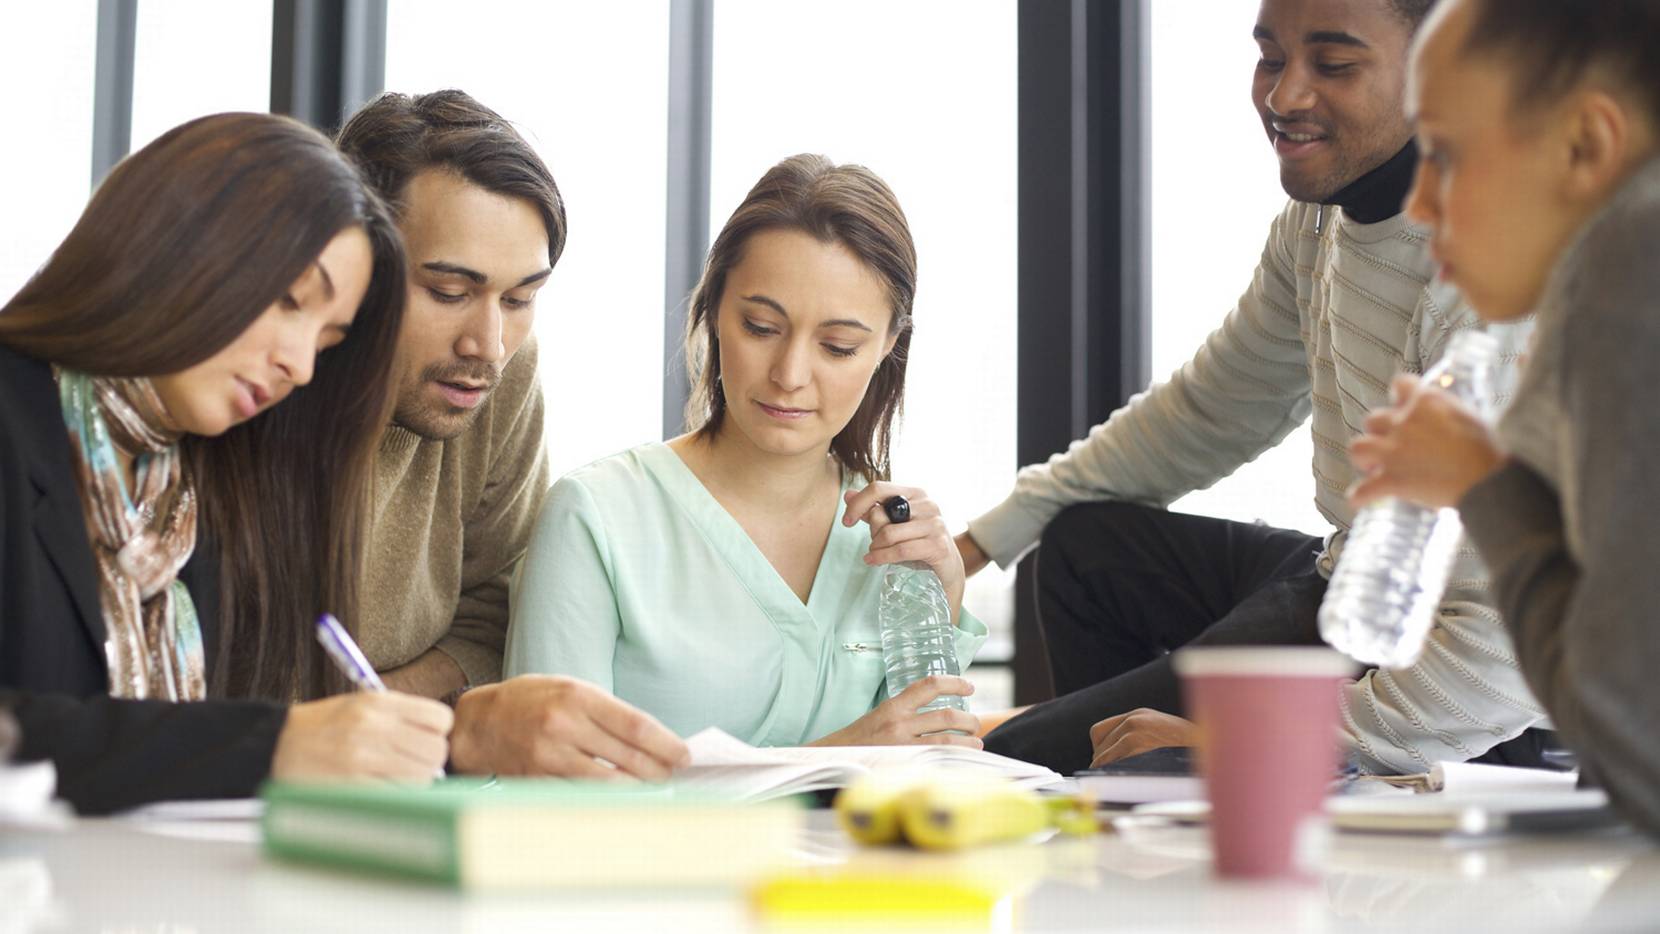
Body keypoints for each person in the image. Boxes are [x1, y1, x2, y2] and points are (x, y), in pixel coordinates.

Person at [967, 0, 1551, 775]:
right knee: (1086, 550)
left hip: (1466, 685)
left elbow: (1503, 652)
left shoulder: (1497, 283)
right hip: (1348, 582)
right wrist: (977, 545)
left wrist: (1247, 749)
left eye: (1333, 65)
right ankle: (1140, 792)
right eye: (1271, 59)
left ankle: (1151, 780)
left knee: (1022, 758)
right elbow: (1208, 413)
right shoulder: (1317, 224)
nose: (1284, 96)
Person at [0, 112, 453, 814]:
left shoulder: (213, 490)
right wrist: (266, 745)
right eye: (288, 300)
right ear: (169, 246)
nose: (300, 366)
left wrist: (456, 737)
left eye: (327, 343)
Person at [504, 154, 988, 750]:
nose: (789, 374)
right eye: (761, 327)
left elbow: (934, 772)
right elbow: (544, 788)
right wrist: (838, 757)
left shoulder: (891, 543)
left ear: (889, 343)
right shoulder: (595, 517)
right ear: (713, 310)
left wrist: (943, 602)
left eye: (838, 346)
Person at [1349, 0, 1660, 834]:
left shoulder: (1632, 258)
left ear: (1586, 145)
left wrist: (1486, 486)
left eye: (1444, 154)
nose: (1420, 204)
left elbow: (1634, 747)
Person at [333, 90, 689, 778]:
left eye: (521, 298)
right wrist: (435, 718)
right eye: (448, 292)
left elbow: (499, 612)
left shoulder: (498, 373)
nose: (489, 344)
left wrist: (378, 714)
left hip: (393, 783)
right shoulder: (254, 381)